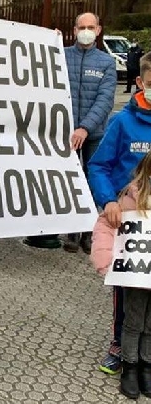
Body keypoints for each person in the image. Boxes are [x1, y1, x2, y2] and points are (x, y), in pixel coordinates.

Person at [26, 12, 116, 251]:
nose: (86, 31)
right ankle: (69, 230)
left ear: (98, 30)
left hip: (93, 134)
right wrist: (46, 40)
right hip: (63, 134)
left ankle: (88, 231)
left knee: (91, 181)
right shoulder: (60, 55)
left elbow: (105, 100)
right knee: (66, 182)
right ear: (74, 30)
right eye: (81, 27)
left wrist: (84, 127)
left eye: (90, 27)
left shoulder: (106, 62)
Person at [88, 51, 151, 376]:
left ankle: (146, 351)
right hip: (129, 224)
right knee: (127, 290)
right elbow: (98, 165)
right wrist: (108, 200)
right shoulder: (122, 122)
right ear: (140, 81)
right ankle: (119, 346)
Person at [91, 152, 151, 399]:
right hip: (136, 277)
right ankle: (130, 366)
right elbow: (106, 226)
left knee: (150, 325)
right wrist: (107, 262)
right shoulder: (130, 199)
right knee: (133, 322)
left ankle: (146, 365)